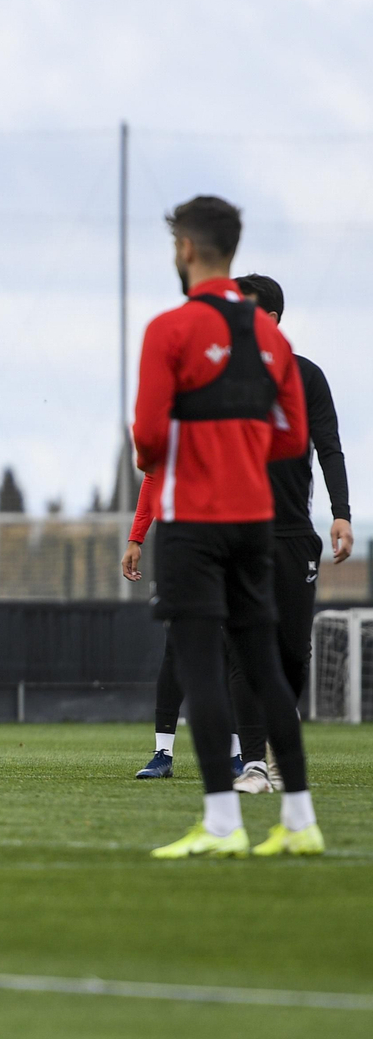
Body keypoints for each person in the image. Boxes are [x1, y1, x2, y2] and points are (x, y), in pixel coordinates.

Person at [132, 195, 320, 859]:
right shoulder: (274, 339)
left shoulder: (170, 330)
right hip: (258, 521)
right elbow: (292, 436)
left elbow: (150, 438)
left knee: (203, 664)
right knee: (266, 664)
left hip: (194, 521)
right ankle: (300, 821)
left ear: (186, 248)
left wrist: (171, 456)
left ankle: (220, 824)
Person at [123, 274, 352, 791]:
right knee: (223, 646)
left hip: (292, 533)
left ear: (268, 318)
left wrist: (342, 511)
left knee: (286, 651)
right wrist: (149, 528)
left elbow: (325, 445)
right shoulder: (210, 372)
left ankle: (270, 750)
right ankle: (248, 763)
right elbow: (162, 452)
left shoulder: (304, 376)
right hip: (230, 528)